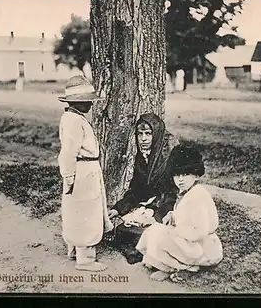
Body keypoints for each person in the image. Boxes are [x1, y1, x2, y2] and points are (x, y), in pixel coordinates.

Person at [135, 144, 223, 283]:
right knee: (154, 230)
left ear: (196, 174)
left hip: (202, 247)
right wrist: (173, 216)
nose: (180, 179)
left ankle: (179, 267)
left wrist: (177, 231)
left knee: (162, 235)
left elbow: (200, 231)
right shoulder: (187, 192)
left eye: (185, 174)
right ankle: (161, 261)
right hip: (191, 241)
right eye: (177, 175)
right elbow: (185, 215)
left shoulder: (197, 196)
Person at [106, 113, 179, 264]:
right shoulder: (143, 156)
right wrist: (119, 208)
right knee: (122, 229)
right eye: (140, 134)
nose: (143, 139)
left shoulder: (169, 155)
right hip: (152, 204)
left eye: (148, 134)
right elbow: (137, 189)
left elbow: (175, 191)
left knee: (155, 232)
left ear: (157, 134)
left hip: (169, 204)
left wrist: (162, 211)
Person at [57, 75, 114, 272]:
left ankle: (75, 249)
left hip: (87, 170)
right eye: (87, 101)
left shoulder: (76, 118)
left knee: (80, 210)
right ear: (76, 102)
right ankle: (85, 258)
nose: (90, 104)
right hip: (81, 172)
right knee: (85, 212)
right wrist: (70, 176)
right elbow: (68, 153)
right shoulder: (72, 120)